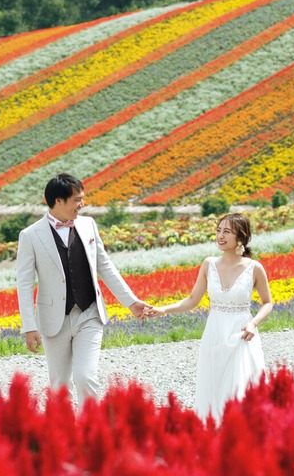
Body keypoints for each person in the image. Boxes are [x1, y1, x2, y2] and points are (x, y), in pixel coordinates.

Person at [16, 173, 150, 403]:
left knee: (85, 376)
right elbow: (25, 283)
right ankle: (66, 435)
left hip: (89, 314)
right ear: (58, 201)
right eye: (77, 199)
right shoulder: (30, 235)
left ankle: (91, 432)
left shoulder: (88, 225)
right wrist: (29, 326)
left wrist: (131, 302)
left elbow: (105, 266)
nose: (82, 204)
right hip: (52, 319)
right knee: (59, 386)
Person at [147, 213, 273, 420]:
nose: (220, 236)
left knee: (240, 390)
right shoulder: (209, 264)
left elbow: (267, 303)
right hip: (215, 333)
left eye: (227, 232)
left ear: (240, 237)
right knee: (214, 388)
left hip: (242, 333)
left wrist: (253, 322)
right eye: (218, 230)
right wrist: (163, 310)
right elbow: (192, 299)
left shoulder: (254, 268)